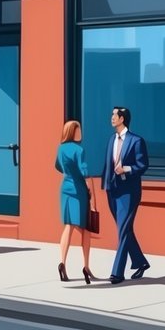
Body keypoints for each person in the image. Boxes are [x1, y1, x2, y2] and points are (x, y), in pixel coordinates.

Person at [102, 106, 149, 284]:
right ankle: (140, 262)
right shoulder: (111, 140)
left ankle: (117, 273)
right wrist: (105, 185)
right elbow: (107, 164)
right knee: (125, 229)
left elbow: (143, 165)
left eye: (114, 115)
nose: (112, 118)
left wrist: (126, 169)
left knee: (122, 230)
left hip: (129, 191)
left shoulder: (136, 141)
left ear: (122, 118)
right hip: (112, 190)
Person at [55, 119, 95, 284]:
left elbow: (58, 166)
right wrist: (91, 195)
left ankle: (62, 262)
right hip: (79, 190)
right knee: (86, 228)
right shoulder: (79, 150)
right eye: (79, 130)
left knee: (68, 226)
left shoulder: (61, 148)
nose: (81, 132)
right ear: (73, 131)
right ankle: (86, 266)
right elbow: (85, 173)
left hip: (65, 188)